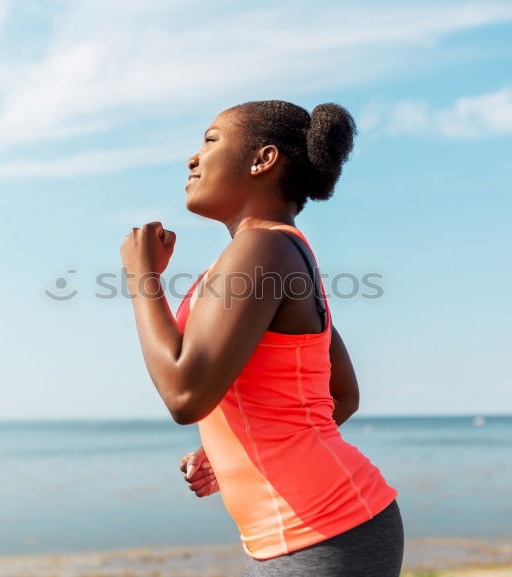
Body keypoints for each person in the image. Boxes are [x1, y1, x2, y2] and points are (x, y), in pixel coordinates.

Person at [120, 100, 403, 577]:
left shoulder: (263, 246)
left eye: (210, 141)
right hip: (303, 535)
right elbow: (339, 394)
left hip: (324, 529)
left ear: (262, 159)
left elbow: (184, 395)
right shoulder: (278, 248)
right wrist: (234, 444)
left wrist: (141, 277)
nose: (193, 158)